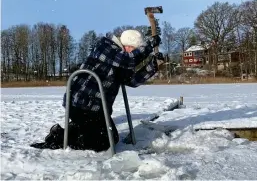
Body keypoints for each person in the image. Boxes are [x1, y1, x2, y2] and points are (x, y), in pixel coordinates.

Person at [30, 29, 164, 152]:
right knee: (102, 143)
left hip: (98, 109)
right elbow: (127, 60)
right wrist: (148, 46)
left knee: (113, 138)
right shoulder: (105, 47)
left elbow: (131, 80)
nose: (132, 52)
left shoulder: (121, 60)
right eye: (133, 49)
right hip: (80, 104)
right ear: (126, 45)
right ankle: (60, 137)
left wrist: (153, 66)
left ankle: (75, 129)